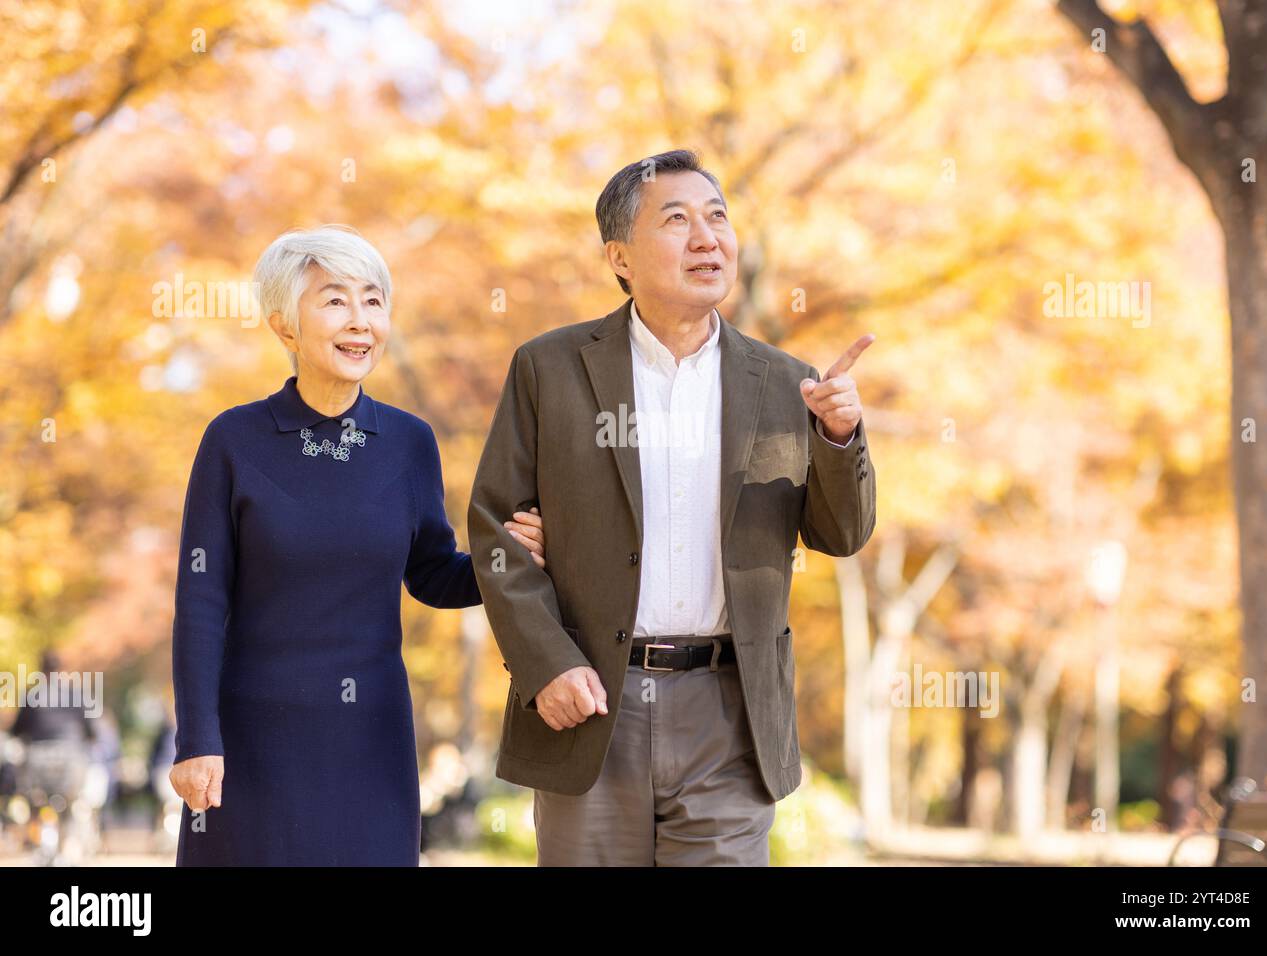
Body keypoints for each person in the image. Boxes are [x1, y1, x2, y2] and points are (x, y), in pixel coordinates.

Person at [469, 149, 877, 865]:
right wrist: (546, 665)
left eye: (717, 217)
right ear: (619, 256)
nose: (707, 237)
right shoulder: (550, 368)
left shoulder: (787, 384)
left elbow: (839, 535)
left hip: (731, 710)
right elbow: (495, 533)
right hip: (591, 702)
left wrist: (838, 438)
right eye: (678, 220)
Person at [169, 225, 547, 865]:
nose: (361, 321)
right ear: (285, 327)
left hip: (370, 738)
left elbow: (432, 573)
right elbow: (200, 601)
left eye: (373, 301)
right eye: (335, 300)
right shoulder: (233, 441)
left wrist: (508, 554)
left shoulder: (409, 442)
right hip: (254, 738)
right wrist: (197, 738)